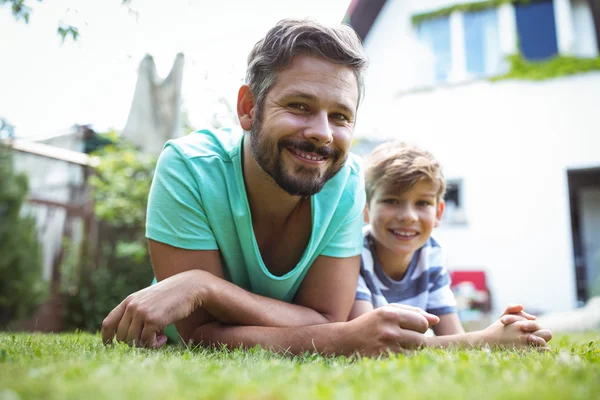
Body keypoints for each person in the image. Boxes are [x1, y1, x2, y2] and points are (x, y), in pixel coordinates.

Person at [101, 18, 444, 356]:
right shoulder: (189, 167)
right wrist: (339, 338)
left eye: (340, 116)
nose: (323, 133)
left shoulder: (346, 180)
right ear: (249, 108)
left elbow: (327, 318)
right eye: (299, 106)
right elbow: (201, 334)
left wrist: (204, 287)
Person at [349, 141, 552, 349]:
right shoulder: (353, 253)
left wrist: (503, 329)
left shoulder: (432, 253)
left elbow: (455, 337)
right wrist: (487, 339)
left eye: (422, 203)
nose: (408, 216)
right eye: (391, 200)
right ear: (365, 208)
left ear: (438, 213)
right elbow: (370, 341)